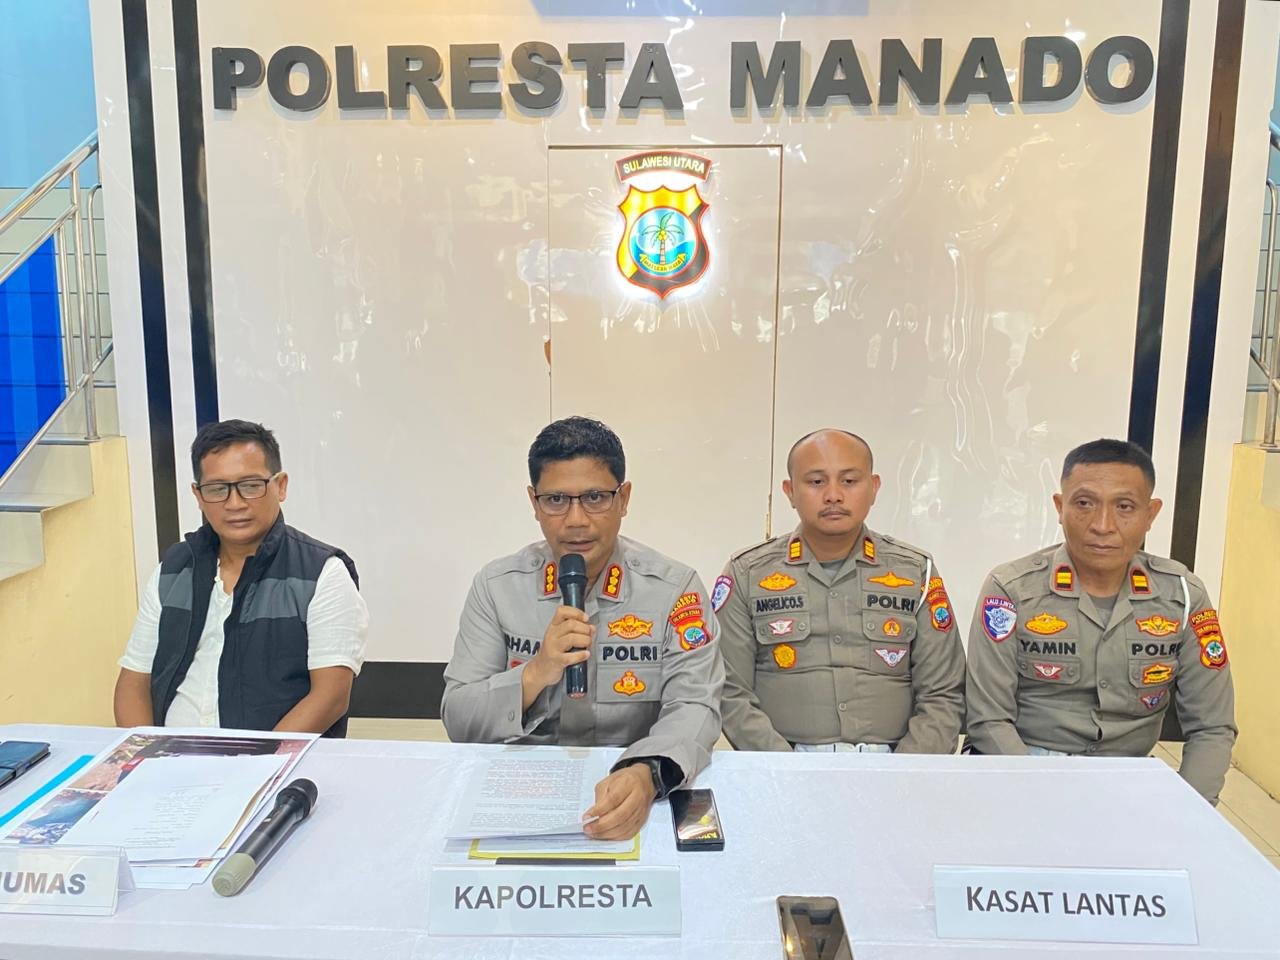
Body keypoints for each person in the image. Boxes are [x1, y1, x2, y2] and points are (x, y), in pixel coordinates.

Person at [442, 416, 725, 840]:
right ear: (534, 502)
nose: (576, 520)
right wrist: (535, 674)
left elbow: (696, 705)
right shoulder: (497, 587)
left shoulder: (674, 589)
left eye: (595, 497)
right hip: (524, 794)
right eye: (556, 500)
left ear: (623, 499)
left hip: (631, 787)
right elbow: (459, 718)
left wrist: (648, 772)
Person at [965, 438, 1236, 804]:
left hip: (1128, 776)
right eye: (1084, 504)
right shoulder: (1011, 590)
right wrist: (1038, 800)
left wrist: (1188, 811)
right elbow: (988, 719)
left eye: (1124, 507)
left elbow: (1212, 727)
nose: (1103, 525)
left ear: (1151, 514)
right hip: (1023, 770)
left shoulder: (1183, 595)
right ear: (1059, 507)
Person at [717, 429, 965, 753]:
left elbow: (944, 693)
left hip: (895, 762)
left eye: (849, 481)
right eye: (816, 482)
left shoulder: (915, 571)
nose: (833, 495)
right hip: (783, 763)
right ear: (790, 492)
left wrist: (904, 771)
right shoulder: (748, 573)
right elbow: (729, 691)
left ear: (873, 488)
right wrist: (785, 769)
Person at [114, 419, 368, 736]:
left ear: (280, 485)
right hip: (170, 757)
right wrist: (144, 752)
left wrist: (259, 760)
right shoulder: (174, 569)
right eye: (217, 489)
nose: (234, 504)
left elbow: (330, 698)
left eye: (250, 486)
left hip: (275, 758)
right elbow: (134, 680)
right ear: (198, 495)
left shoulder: (321, 574)